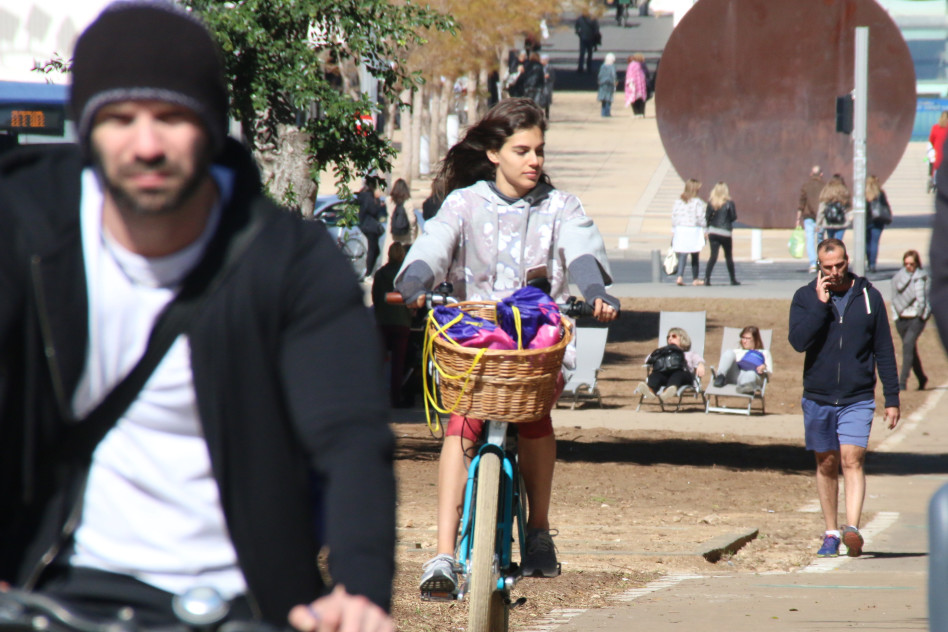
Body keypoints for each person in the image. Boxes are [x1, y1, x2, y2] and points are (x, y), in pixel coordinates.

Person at [0, 3, 396, 632]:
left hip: (245, 602)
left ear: (212, 129)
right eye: (121, 119)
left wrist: (360, 588)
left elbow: (349, 436)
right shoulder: (23, 227)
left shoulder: (288, 261)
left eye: (172, 117)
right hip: (57, 586)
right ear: (86, 128)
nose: (147, 145)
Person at [393, 98, 619, 597]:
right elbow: (434, 244)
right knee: (462, 423)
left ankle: (538, 531)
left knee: (536, 417)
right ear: (494, 154)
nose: (534, 160)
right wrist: (413, 281)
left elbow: (581, 251)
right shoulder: (464, 203)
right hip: (473, 345)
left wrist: (595, 293)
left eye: (539, 150)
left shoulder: (561, 206)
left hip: (533, 350)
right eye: (522, 150)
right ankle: (444, 555)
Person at [788, 238, 900, 559]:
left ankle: (852, 529)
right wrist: (820, 305)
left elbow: (884, 350)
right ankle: (830, 532)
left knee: (852, 459)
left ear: (847, 261)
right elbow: (798, 341)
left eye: (839, 265)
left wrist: (891, 397)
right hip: (818, 396)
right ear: (818, 267)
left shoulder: (869, 297)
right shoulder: (804, 297)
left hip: (857, 396)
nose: (835, 272)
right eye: (828, 267)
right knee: (826, 463)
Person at [373, 243, 413, 407]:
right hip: (402, 322)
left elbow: (375, 298)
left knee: (379, 362)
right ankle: (395, 399)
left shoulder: (380, 274)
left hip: (383, 321)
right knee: (398, 364)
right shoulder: (405, 275)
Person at [891, 250, 931, 391]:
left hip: (917, 317)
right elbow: (894, 298)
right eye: (906, 264)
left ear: (917, 264)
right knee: (910, 349)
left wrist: (923, 315)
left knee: (907, 344)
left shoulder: (923, 278)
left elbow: (928, 299)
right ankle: (921, 377)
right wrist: (896, 316)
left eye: (911, 264)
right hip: (901, 318)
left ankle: (902, 382)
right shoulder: (897, 278)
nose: (909, 266)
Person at [636, 328, 706, 401]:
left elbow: (699, 360)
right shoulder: (664, 353)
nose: (670, 338)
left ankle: (668, 390)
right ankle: (650, 391)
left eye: (674, 336)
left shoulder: (689, 354)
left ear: (682, 338)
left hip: (684, 376)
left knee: (678, 374)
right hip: (666, 376)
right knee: (656, 375)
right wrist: (659, 352)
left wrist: (701, 365)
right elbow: (648, 359)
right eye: (668, 337)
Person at [711, 326, 773, 394]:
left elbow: (769, 374)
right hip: (736, 374)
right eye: (743, 338)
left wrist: (764, 367)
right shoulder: (737, 351)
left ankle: (746, 387)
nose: (744, 341)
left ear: (756, 339)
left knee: (751, 374)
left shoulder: (764, 352)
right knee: (729, 352)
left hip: (752, 376)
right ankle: (720, 377)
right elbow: (726, 362)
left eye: (748, 338)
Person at [703, 181, 739, 286]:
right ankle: (732, 279)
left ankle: (707, 278)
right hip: (725, 232)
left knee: (713, 256)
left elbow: (707, 218)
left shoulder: (711, 202)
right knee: (728, 256)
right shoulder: (729, 203)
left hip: (713, 231)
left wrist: (707, 230)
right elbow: (733, 217)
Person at [671, 178, 706, 286]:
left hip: (680, 229)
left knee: (683, 253)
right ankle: (695, 278)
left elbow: (674, 216)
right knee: (695, 254)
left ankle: (679, 276)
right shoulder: (697, 202)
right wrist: (705, 229)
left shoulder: (678, 201)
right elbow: (700, 217)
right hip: (693, 229)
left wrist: (674, 230)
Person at [796, 165, 825, 273]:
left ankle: (813, 263)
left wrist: (798, 218)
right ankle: (821, 262)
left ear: (811, 174)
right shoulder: (825, 186)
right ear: (821, 174)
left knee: (810, 239)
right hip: (821, 217)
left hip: (808, 217)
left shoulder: (806, 186)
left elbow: (801, 203)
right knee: (821, 240)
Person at [358, 179, 387, 278]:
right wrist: (378, 201)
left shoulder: (364, 195)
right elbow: (373, 210)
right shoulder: (368, 197)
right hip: (370, 227)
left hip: (368, 225)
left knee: (375, 250)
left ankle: (369, 271)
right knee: (372, 249)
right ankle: (368, 273)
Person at [865, 174, 892, 273]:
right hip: (878, 220)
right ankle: (872, 264)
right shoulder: (880, 193)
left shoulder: (864, 193)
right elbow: (885, 206)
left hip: (866, 221)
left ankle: (869, 262)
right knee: (874, 242)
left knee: (867, 242)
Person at [816, 173, 851, 243]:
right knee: (838, 242)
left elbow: (821, 210)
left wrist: (818, 224)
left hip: (829, 221)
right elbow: (847, 208)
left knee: (831, 241)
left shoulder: (827, 191)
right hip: (841, 222)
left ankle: (832, 252)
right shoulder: (844, 191)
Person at [386, 177, 417, 248]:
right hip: (407, 237)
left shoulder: (389, 201)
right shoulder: (408, 202)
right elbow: (412, 220)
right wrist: (413, 231)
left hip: (393, 236)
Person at [623, 53, 648, 118]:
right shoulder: (638, 65)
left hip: (633, 84)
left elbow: (630, 75)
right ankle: (641, 113)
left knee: (633, 99)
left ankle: (636, 113)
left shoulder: (631, 66)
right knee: (641, 99)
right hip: (641, 85)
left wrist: (630, 85)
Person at [930, 111, 948, 192]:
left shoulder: (935, 128)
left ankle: (934, 182)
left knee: (933, 164)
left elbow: (931, 141)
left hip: (937, 157)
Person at [597, 53, 618, 117]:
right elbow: (613, 75)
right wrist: (615, 81)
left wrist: (599, 81)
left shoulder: (603, 66)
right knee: (608, 98)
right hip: (610, 83)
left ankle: (603, 112)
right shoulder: (612, 66)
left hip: (602, 83)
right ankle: (607, 112)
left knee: (603, 98)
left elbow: (600, 75)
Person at [538, 54, 556, 120]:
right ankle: (540, 115)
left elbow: (553, 77)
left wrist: (549, 77)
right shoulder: (539, 67)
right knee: (539, 100)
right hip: (541, 85)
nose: (542, 61)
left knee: (547, 100)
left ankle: (547, 115)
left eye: (543, 60)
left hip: (547, 85)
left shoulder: (550, 68)